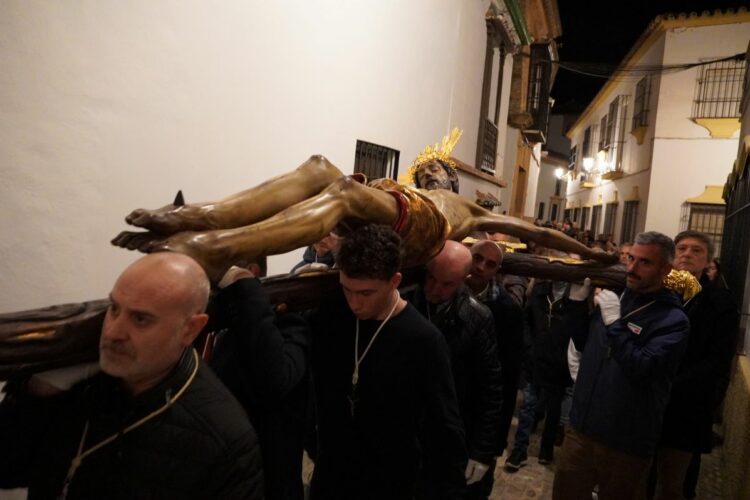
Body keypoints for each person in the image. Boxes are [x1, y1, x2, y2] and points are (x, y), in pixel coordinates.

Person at [111, 130, 616, 282]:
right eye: (430, 169)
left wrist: (590, 257)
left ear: (451, 178)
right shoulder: (407, 184)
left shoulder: (475, 212)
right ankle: (201, 215)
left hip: (423, 229)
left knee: (344, 193)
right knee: (317, 167)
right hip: (390, 207)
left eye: (440, 171)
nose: (434, 170)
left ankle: (213, 245)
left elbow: (542, 235)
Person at [0, 253, 263, 499]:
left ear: (190, 329)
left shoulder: (225, 439)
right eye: (114, 309)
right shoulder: (83, 385)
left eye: (140, 319)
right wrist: (36, 392)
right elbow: (9, 468)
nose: (113, 333)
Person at [308, 224, 467, 499]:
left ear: (394, 281)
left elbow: (445, 429)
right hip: (330, 478)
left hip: (391, 483)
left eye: (366, 293)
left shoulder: (424, 340)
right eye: (348, 289)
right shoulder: (333, 316)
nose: (354, 303)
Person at [552, 231, 690, 500]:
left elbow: (642, 367)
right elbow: (585, 345)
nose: (632, 268)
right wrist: (576, 307)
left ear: (666, 269)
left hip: (626, 442)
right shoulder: (619, 298)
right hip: (582, 429)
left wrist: (615, 324)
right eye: (631, 259)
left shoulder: (673, 320)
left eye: (644, 262)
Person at [206, 264, 312, 500]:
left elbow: (277, 379)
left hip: (270, 477)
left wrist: (244, 289)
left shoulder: (289, 324)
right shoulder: (229, 327)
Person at [408, 241, 503, 500]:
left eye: (447, 284)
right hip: (407, 437)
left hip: (449, 438)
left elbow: (490, 390)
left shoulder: (477, 317)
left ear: (463, 280)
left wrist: (482, 452)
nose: (435, 289)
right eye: (431, 277)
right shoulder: (406, 304)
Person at [649, 231, 738, 499]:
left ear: (708, 261)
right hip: (648, 401)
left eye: (696, 250)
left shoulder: (719, 303)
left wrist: (672, 385)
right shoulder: (657, 293)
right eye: (682, 249)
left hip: (686, 405)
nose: (687, 254)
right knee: (640, 475)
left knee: (675, 484)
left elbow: (717, 361)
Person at [505, 272, 590, 471]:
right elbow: (527, 320)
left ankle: (547, 448)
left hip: (558, 363)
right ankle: (520, 449)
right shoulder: (540, 291)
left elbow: (580, 331)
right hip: (536, 360)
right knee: (528, 407)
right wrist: (528, 347)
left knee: (553, 410)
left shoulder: (575, 296)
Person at [465, 240, 524, 462]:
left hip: (478, 411)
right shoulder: (444, 291)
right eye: (477, 258)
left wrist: (495, 442)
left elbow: (508, 379)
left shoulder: (507, 311)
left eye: (490, 264)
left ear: (497, 271)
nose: (480, 267)